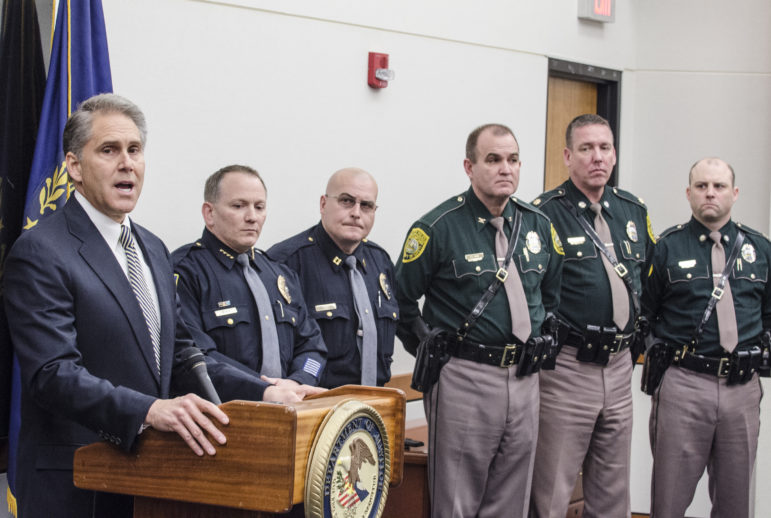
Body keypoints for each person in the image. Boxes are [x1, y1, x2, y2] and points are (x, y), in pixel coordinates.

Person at [2, 94, 322, 518]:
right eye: (109, 150)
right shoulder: (42, 250)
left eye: (135, 150)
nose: (127, 164)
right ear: (74, 167)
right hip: (78, 482)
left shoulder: (151, 248)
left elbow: (183, 354)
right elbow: (52, 374)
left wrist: (264, 392)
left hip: (153, 480)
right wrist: (150, 409)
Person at [395, 123, 563, 517]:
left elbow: (549, 295)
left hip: (525, 378)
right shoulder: (437, 227)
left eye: (513, 159)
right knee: (457, 499)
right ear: (469, 167)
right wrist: (427, 347)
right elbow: (400, 300)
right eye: (493, 160)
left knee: (512, 497)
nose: (506, 168)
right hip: (464, 376)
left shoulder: (537, 224)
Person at [529, 114, 655, 517]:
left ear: (614, 154)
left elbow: (650, 281)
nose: (597, 157)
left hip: (620, 368)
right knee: (551, 489)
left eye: (604, 148)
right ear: (568, 155)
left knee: (612, 491)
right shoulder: (544, 214)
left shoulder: (632, 211)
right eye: (586, 148)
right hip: (567, 369)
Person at [642, 157, 769, 518]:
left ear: (735, 193)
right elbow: (646, 314)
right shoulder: (666, 247)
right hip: (685, 385)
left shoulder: (760, 250)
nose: (710, 193)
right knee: (668, 500)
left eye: (718, 186)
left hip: (742, 388)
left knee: (735, 503)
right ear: (688, 193)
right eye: (701, 186)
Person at [173, 165, 327, 388]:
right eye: (238, 206)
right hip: (224, 414)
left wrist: (300, 381)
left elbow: (313, 347)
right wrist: (262, 390)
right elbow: (195, 357)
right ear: (209, 213)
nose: (252, 217)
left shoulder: (279, 273)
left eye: (259, 207)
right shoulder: (186, 271)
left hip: (291, 405)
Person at [268, 167, 397, 388]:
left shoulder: (380, 261)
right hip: (317, 403)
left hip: (377, 401)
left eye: (366, 205)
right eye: (347, 201)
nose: (357, 213)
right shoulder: (286, 262)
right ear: (323, 204)